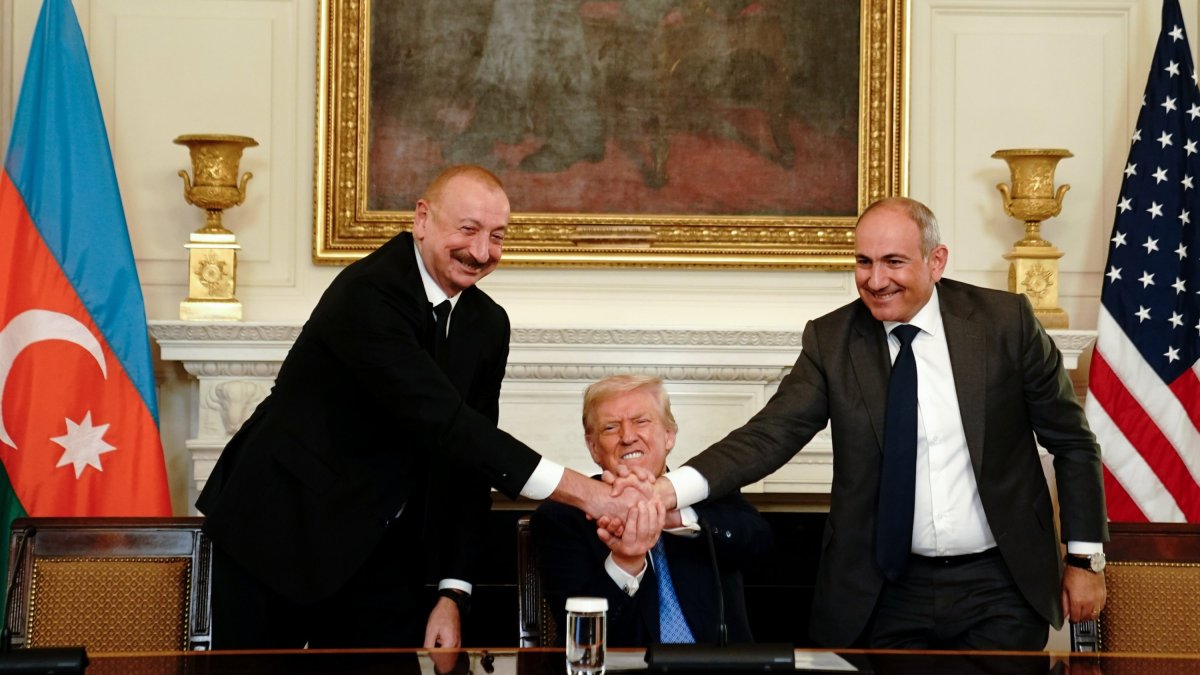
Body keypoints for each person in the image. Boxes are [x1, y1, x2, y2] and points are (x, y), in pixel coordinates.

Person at [619, 196, 1109, 649]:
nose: (876, 280)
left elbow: (1073, 443)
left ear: (935, 262)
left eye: (894, 262)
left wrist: (1084, 559)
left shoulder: (1006, 323)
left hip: (998, 584)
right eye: (863, 262)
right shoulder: (832, 341)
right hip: (884, 591)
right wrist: (668, 491)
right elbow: (771, 434)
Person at [196, 165, 639, 649]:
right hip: (275, 533)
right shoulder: (368, 294)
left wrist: (454, 592)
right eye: (467, 230)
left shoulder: (487, 324)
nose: (481, 252)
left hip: (382, 554)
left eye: (497, 236)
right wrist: (590, 494)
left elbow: (471, 464)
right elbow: (448, 424)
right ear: (422, 219)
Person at [532, 375, 771, 646]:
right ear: (593, 447)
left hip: (718, 667)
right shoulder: (563, 516)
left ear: (669, 435)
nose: (628, 437)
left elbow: (760, 546)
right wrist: (625, 562)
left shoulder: (708, 489)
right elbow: (580, 636)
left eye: (641, 421)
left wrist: (676, 517)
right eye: (610, 428)